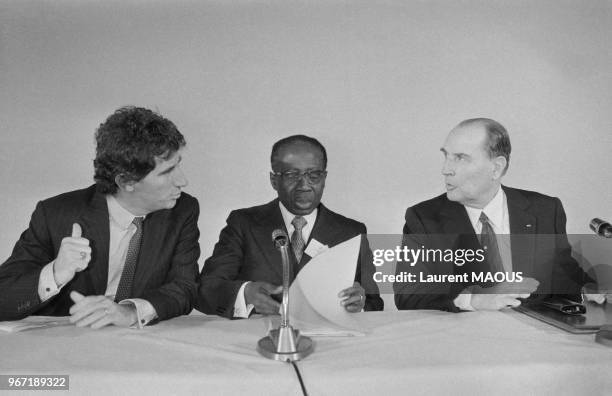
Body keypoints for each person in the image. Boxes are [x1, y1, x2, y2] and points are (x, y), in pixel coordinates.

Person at [0, 106, 200, 328]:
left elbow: (185, 288)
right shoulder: (55, 214)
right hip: (64, 344)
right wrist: (56, 272)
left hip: (139, 345)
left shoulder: (183, 210)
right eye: (166, 172)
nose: (183, 181)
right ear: (126, 182)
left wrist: (130, 311)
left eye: (177, 165)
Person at [394, 118, 601, 312]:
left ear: (496, 168)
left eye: (460, 158)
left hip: (536, 339)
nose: (445, 169)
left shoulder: (545, 210)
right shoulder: (424, 218)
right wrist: (474, 300)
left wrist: (589, 291)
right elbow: (408, 293)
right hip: (466, 342)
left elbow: (563, 276)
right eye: (446, 156)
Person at [197, 135, 383, 318]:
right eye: (292, 175)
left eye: (314, 175)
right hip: (258, 340)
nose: (304, 185)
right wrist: (244, 294)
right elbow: (207, 288)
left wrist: (360, 303)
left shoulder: (351, 232)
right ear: (274, 180)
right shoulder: (244, 223)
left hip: (331, 341)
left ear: (324, 178)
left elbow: (375, 303)